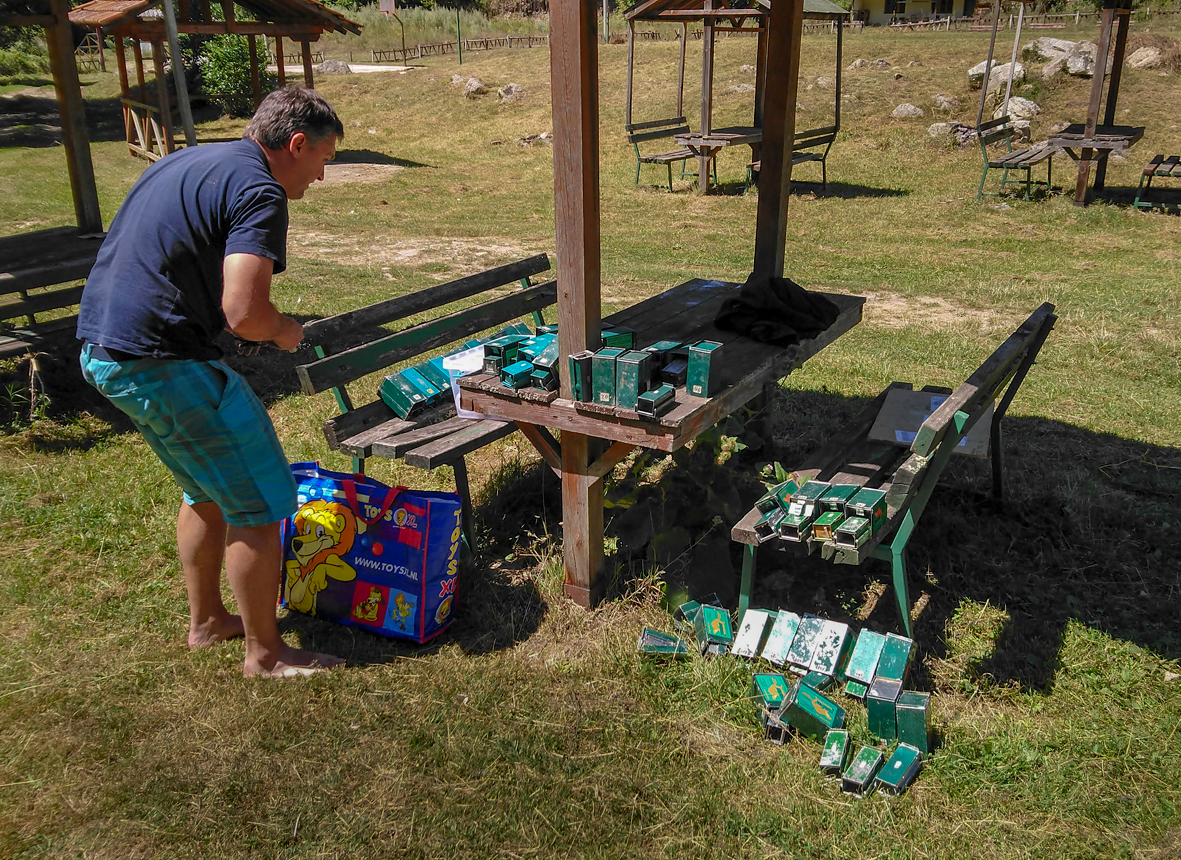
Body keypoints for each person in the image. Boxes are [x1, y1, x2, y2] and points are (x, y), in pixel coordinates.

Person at [76, 87, 345, 679]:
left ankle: (207, 623)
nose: (321, 177)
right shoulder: (260, 190)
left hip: (104, 350)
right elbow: (244, 312)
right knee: (259, 500)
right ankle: (266, 655)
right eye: (323, 160)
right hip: (163, 362)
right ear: (295, 144)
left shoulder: (187, 159)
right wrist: (285, 332)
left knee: (205, 490)